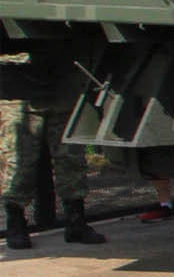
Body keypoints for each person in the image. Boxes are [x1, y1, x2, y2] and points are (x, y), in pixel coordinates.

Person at [1, 52, 103, 249]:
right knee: (18, 162)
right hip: (17, 84)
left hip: (62, 80)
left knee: (71, 158)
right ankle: (16, 224)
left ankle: (76, 222)